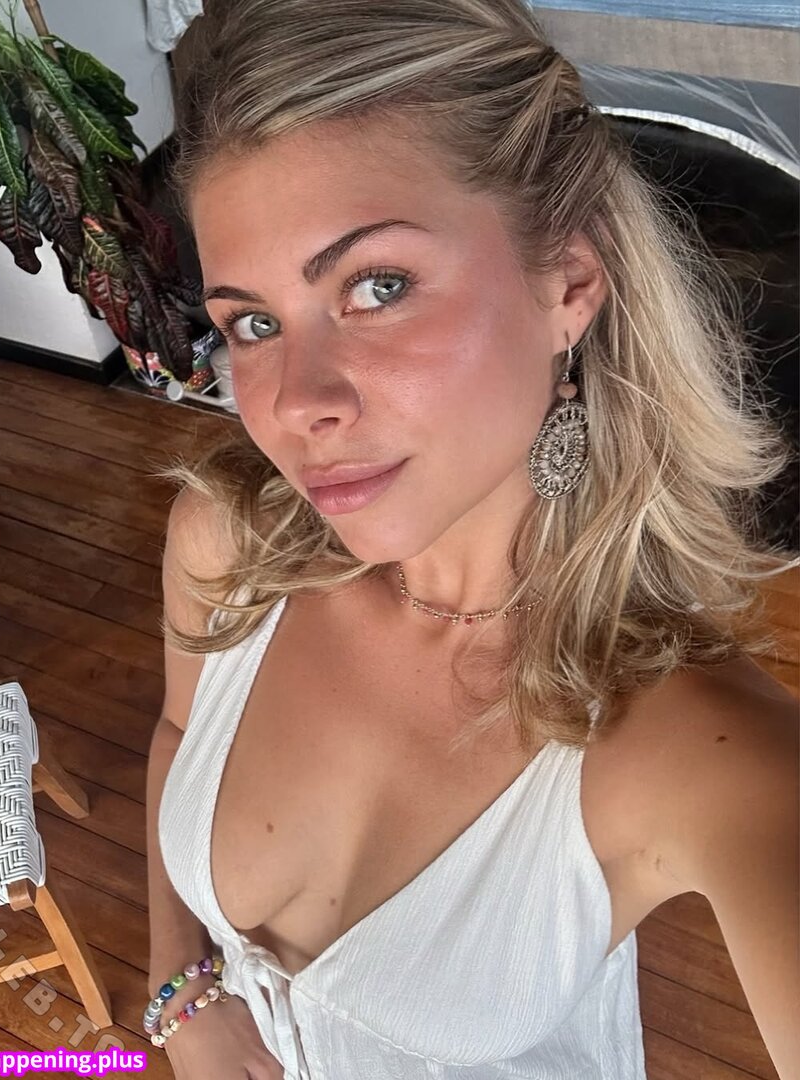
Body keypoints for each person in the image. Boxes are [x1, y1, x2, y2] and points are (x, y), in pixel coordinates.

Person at [144, 1, 800, 1077]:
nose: (298, 402)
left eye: (378, 286)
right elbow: (180, 735)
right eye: (253, 323)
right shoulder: (230, 549)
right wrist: (180, 997)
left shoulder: (694, 747)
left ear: (568, 285)